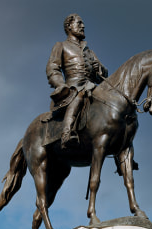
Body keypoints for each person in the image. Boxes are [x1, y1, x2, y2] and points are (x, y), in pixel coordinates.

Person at [46, 13, 108, 146]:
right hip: (73, 87)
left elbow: (102, 77)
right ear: (69, 26)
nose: (83, 26)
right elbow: (53, 68)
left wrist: (100, 69)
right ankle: (67, 133)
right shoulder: (61, 46)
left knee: (111, 102)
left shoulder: (89, 51)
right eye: (79, 23)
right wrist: (60, 84)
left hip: (92, 87)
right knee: (79, 97)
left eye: (82, 23)